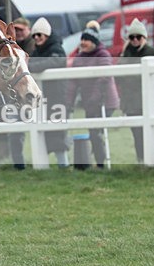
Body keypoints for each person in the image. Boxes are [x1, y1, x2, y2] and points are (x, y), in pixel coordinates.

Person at [65, 26, 119, 168]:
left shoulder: (103, 55)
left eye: (87, 40)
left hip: (105, 101)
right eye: (82, 39)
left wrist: (94, 98)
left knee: (96, 132)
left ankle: (101, 163)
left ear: (94, 42)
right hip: (89, 102)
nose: (83, 42)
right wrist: (68, 102)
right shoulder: (78, 58)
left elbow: (104, 78)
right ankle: (98, 160)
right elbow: (73, 83)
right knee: (93, 131)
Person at [117, 18, 154, 163]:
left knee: (148, 132)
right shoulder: (125, 54)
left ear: (144, 37)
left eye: (138, 37)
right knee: (136, 133)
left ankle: (152, 159)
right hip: (130, 101)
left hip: (147, 99)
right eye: (131, 37)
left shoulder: (153, 52)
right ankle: (141, 160)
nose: (135, 40)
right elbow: (118, 77)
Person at [27, 17, 70, 168]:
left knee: (57, 131)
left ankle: (63, 164)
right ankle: (46, 164)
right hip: (44, 97)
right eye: (35, 35)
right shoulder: (38, 50)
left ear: (47, 35)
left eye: (40, 35)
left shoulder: (56, 48)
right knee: (46, 131)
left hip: (57, 95)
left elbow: (56, 61)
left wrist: (31, 67)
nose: (37, 38)